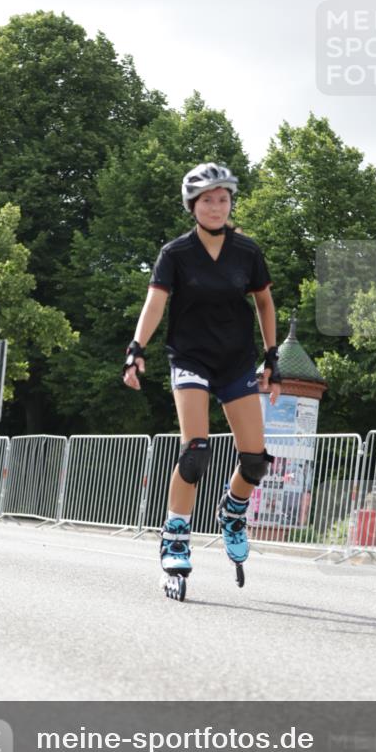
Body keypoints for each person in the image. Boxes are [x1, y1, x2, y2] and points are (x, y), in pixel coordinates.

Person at [122, 162, 281, 580]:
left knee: (256, 461)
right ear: (192, 205)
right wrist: (137, 348)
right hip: (191, 358)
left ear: (231, 204)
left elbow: (264, 303)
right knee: (196, 452)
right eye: (208, 200)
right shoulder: (175, 254)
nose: (216, 207)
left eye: (223, 199)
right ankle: (176, 533)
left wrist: (271, 357)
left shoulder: (247, 252)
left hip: (235, 360)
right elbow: (155, 303)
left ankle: (232, 510)